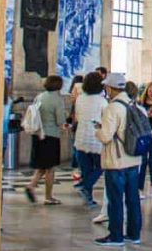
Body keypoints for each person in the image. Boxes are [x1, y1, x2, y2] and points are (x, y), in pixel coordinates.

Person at [94, 73, 143, 247]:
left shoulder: (113, 108)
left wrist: (97, 130)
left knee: (115, 200)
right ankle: (134, 234)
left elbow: (106, 136)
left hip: (117, 160)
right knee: (133, 199)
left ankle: (115, 236)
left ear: (110, 88)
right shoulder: (132, 104)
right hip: (133, 159)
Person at [25, 75, 68, 205]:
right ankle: (48, 196)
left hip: (38, 135)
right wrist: (66, 126)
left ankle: (31, 186)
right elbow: (60, 121)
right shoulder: (57, 100)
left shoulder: (40, 96)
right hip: (51, 136)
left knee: (41, 165)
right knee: (50, 168)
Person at [73, 71, 106, 207]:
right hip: (96, 140)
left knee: (86, 170)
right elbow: (104, 120)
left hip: (81, 138)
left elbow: (78, 117)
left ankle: (89, 197)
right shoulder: (102, 101)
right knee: (101, 166)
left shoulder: (80, 99)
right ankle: (85, 186)